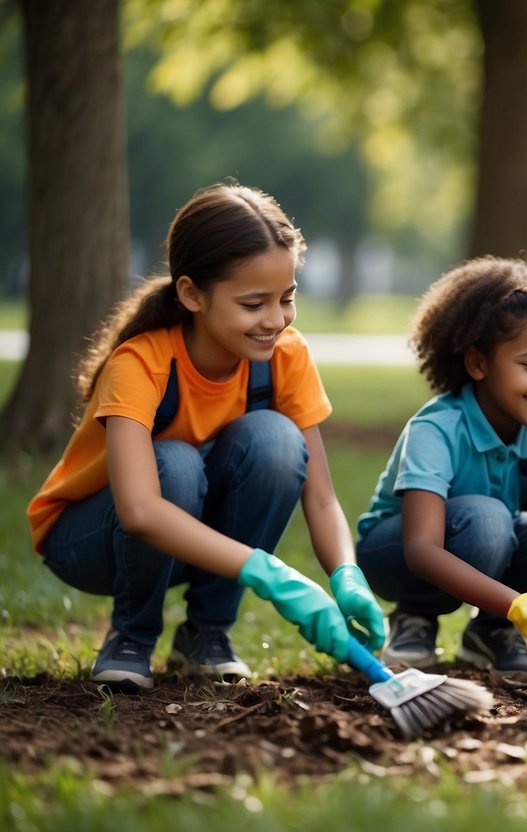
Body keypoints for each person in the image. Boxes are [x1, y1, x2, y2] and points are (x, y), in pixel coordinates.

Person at [29, 182, 384, 693]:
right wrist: (269, 573)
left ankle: (207, 634)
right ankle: (132, 636)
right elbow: (140, 510)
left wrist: (347, 576)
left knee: (279, 442)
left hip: (191, 532)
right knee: (173, 464)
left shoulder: (286, 355)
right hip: (89, 540)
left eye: (287, 298)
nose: (275, 320)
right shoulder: (142, 363)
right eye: (253, 303)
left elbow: (322, 496)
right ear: (193, 294)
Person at [355, 255, 527, 681]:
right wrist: (521, 606)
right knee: (487, 519)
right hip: (397, 552)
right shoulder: (438, 425)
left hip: (490, 538)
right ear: (478, 364)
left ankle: (490, 631)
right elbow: (422, 548)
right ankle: (415, 617)